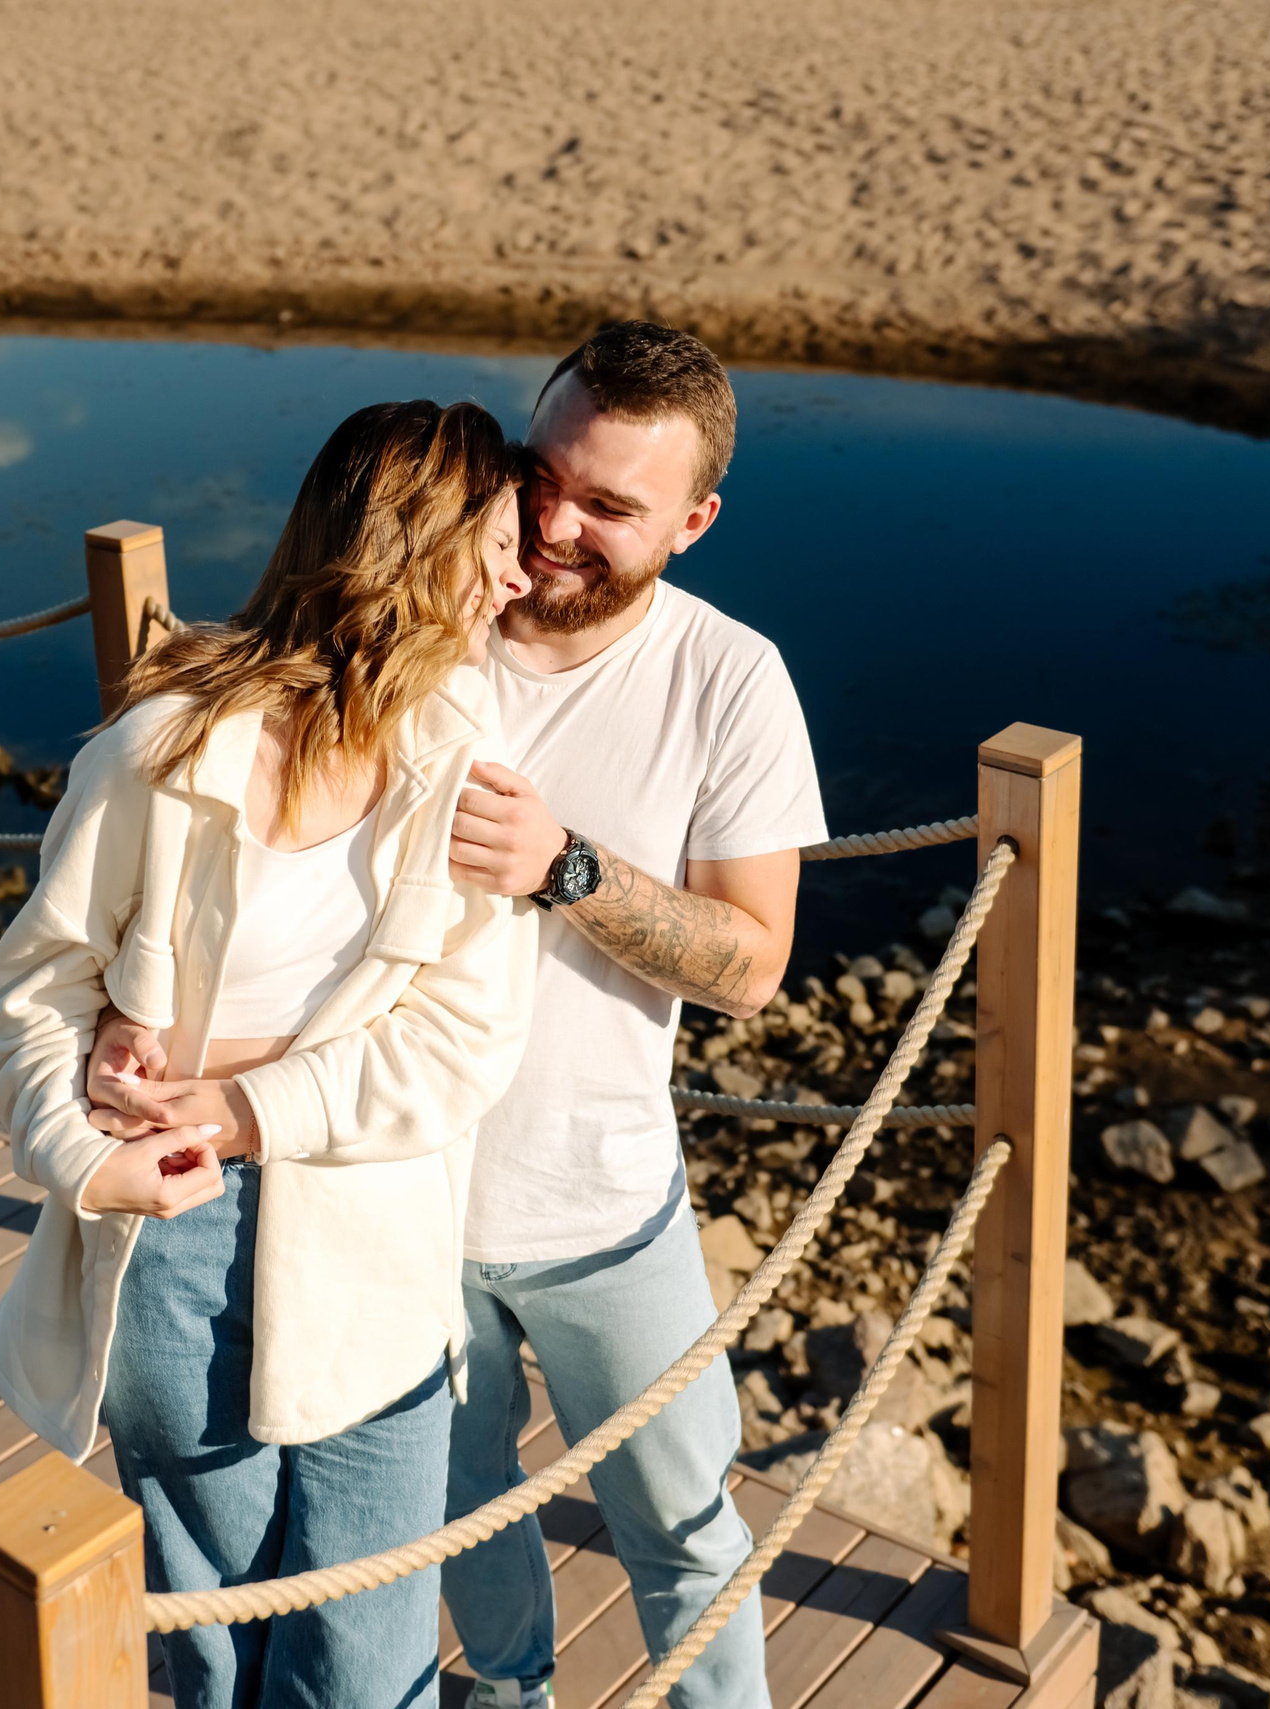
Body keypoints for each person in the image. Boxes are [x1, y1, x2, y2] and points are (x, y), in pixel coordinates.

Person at [0, 399, 541, 1709]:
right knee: (220, 1653)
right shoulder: (159, 752)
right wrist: (83, 1158)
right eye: (499, 540)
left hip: (375, 1259)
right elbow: (26, 996)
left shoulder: (468, 767)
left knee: (365, 1661)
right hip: (172, 1242)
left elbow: (463, 1043)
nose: (521, 574)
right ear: (414, 540)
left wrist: (234, 1089)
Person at [438, 322, 825, 1708]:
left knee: (681, 1527)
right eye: (542, 477)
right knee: (458, 1507)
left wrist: (567, 867)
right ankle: (506, 1694)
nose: (552, 525)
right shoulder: (420, 614)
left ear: (695, 521)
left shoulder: (733, 680)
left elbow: (751, 961)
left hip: (603, 1209)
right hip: (401, 1195)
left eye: (610, 506)